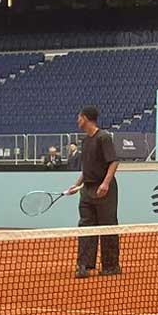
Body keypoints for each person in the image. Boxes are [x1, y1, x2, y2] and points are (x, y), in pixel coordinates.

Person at [64, 105, 119, 279]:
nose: (77, 120)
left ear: (86, 118)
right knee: (85, 226)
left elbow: (114, 162)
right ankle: (84, 265)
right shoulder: (85, 140)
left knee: (107, 226)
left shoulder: (104, 137)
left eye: (79, 117)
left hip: (105, 191)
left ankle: (111, 266)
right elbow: (86, 168)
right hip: (87, 191)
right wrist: (76, 185)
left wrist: (105, 184)